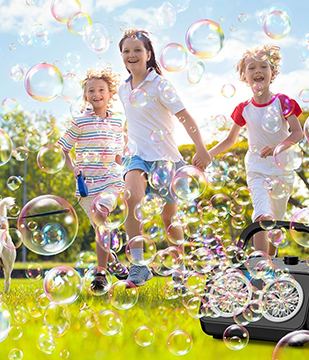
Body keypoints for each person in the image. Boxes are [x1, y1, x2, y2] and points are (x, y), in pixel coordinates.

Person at [118, 29, 211, 285]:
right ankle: (138, 265)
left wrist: (200, 148)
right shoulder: (122, 89)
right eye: (126, 51)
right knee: (131, 198)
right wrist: (122, 146)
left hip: (165, 157)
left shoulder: (160, 84)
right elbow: (133, 122)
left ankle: (179, 266)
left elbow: (185, 117)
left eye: (137, 50)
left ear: (148, 54)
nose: (132, 54)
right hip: (137, 156)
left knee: (169, 217)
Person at [206, 45, 303, 256]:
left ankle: (272, 258)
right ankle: (261, 260)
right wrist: (208, 154)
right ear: (244, 76)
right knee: (263, 214)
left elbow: (297, 133)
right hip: (257, 168)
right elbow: (230, 139)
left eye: (263, 66)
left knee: (276, 219)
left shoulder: (283, 102)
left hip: (282, 169)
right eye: (251, 67)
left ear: (273, 73)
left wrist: (278, 147)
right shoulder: (243, 109)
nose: (257, 71)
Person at [57, 68, 125, 292]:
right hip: (87, 186)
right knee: (101, 228)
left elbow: (118, 153)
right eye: (91, 90)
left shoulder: (117, 121)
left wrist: (128, 167)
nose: (97, 94)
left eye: (101, 90)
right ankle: (111, 260)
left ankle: (100, 274)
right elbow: (62, 150)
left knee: (101, 219)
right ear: (85, 96)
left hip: (111, 182)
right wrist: (73, 167)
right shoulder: (79, 122)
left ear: (110, 93)